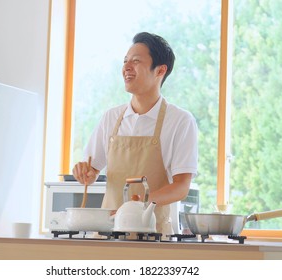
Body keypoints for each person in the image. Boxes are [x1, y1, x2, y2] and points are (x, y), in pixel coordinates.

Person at [72, 32, 198, 236]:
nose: (126, 68)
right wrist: (84, 172)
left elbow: (181, 187)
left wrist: (139, 204)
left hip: (152, 234)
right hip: (108, 233)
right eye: (125, 61)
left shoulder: (180, 121)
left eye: (136, 61)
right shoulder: (110, 118)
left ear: (160, 70)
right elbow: (91, 172)